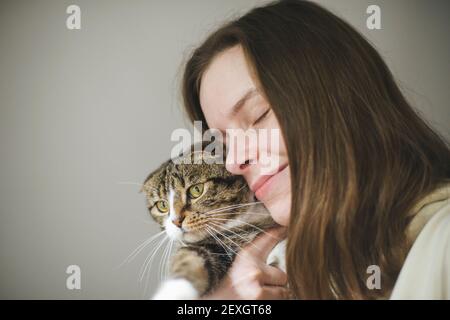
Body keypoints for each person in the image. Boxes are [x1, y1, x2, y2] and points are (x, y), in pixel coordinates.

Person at [179, 0, 450, 299]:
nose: (233, 162)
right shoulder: (268, 278)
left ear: (339, 97)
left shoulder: (442, 247)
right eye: (224, 143)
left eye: (258, 115)